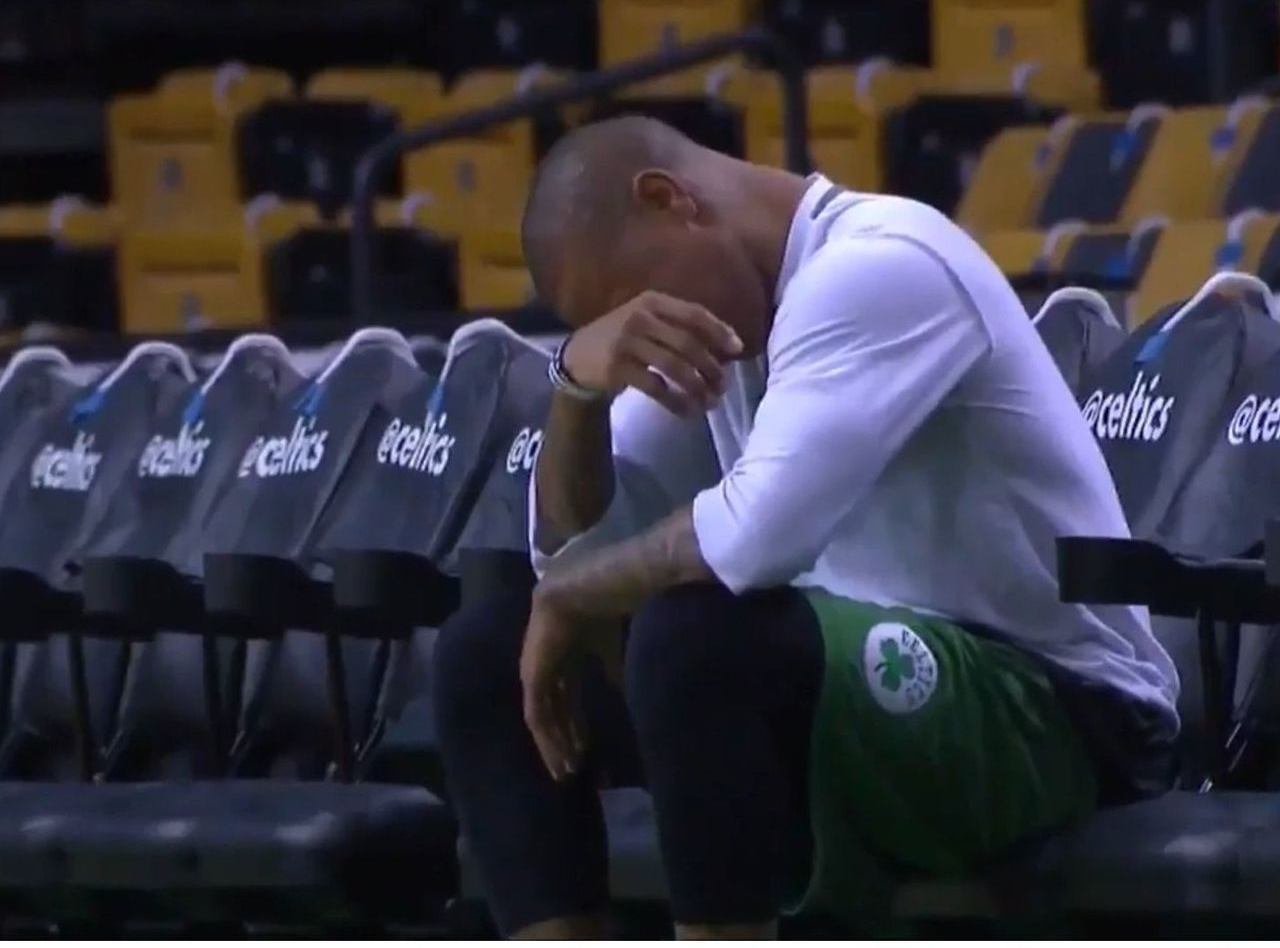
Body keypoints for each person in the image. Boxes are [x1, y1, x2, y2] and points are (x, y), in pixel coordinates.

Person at [433, 115, 1180, 940]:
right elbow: (577, 555)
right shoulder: (718, 329)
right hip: (861, 700)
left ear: (668, 199)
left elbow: (754, 540)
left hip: (1061, 709)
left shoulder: (883, 261)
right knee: (488, 655)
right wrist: (576, 388)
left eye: (632, 301)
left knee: (697, 635)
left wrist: (577, 589)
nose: (644, 328)